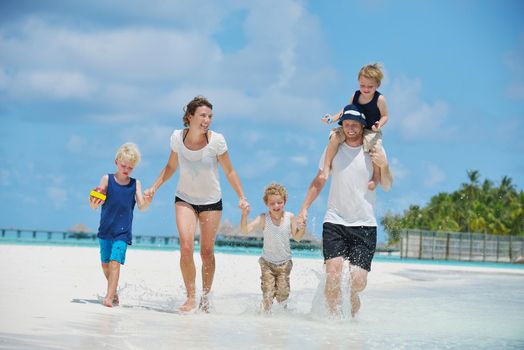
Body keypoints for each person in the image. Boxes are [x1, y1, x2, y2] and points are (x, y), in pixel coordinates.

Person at [144, 96, 249, 313]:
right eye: (203, 115)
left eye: (210, 116)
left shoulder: (217, 141)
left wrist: (241, 196)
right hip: (184, 199)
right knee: (185, 248)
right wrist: (154, 187)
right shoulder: (176, 138)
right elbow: (171, 166)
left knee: (207, 253)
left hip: (211, 202)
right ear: (190, 117)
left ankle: (206, 297)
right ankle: (191, 296)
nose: (207, 120)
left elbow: (229, 170)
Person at [298, 104, 393, 317]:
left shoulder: (374, 148)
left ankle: (352, 298)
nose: (350, 129)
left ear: (362, 126)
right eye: (347, 124)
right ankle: (334, 325)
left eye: (355, 125)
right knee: (333, 277)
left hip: (364, 224)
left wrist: (384, 166)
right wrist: (304, 208)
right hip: (335, 221)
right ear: (342, 125)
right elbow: (320, 179)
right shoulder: (334, 148)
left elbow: (385, 184)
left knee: (357, 282)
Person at [89, 142, 151, 308]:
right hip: (105, 229)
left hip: (122, 232)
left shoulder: (135, 184)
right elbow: (95, 203)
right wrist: (93, 201)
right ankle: (114, 291)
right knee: (105, 264)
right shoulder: (107, 179)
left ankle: (109, 298)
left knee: (115, 262)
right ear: (117, 161)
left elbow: (142, 206)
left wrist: (148, 201)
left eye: (130, 167)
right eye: (124, 165)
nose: (126, 169)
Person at [321, 63, 389, 191]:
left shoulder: (380, 99)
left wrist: (378, 124)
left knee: (375, 148)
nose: (366, 89)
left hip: (370, 129)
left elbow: (385, 115)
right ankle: (326, 166)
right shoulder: (356, 95)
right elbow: (346, 110)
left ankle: (375, 177)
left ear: (377, 85)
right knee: (334, 136)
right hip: (354, 124)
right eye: (362, 85)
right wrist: (332, 118)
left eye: (370, 86)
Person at [240, 183, 306, 312]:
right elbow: (245, 230)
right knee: (268, 293)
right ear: (266, 204)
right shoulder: (264, 218)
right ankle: (265, 319)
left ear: (284, 202)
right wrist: (244, 215)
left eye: (279, 202)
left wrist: (303, 228)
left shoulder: (290, 217)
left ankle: (281, 319)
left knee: (283, 295)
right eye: (272, 203)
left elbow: (297, 238)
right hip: (267, 263)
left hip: (285, 264)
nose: (276, 206)